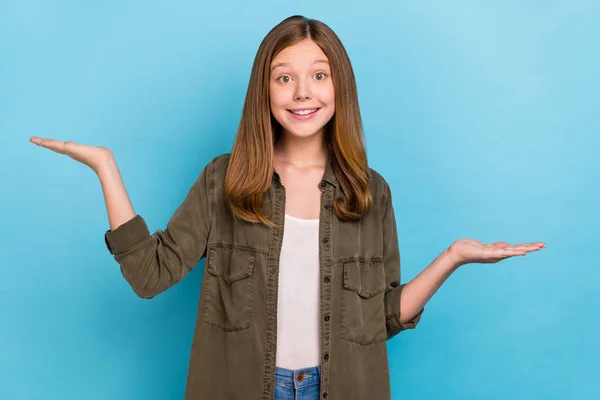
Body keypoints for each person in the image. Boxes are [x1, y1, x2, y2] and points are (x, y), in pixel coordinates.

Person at [29, 15, 544, 400]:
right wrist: (106, 168)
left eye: (319, 75)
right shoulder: (224, 180)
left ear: (339, 86)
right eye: (284, 77)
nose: (302, 93)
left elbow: (384, 318)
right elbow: (148, 275)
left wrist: (452, 257)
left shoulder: (371, 193)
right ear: (266, 89)